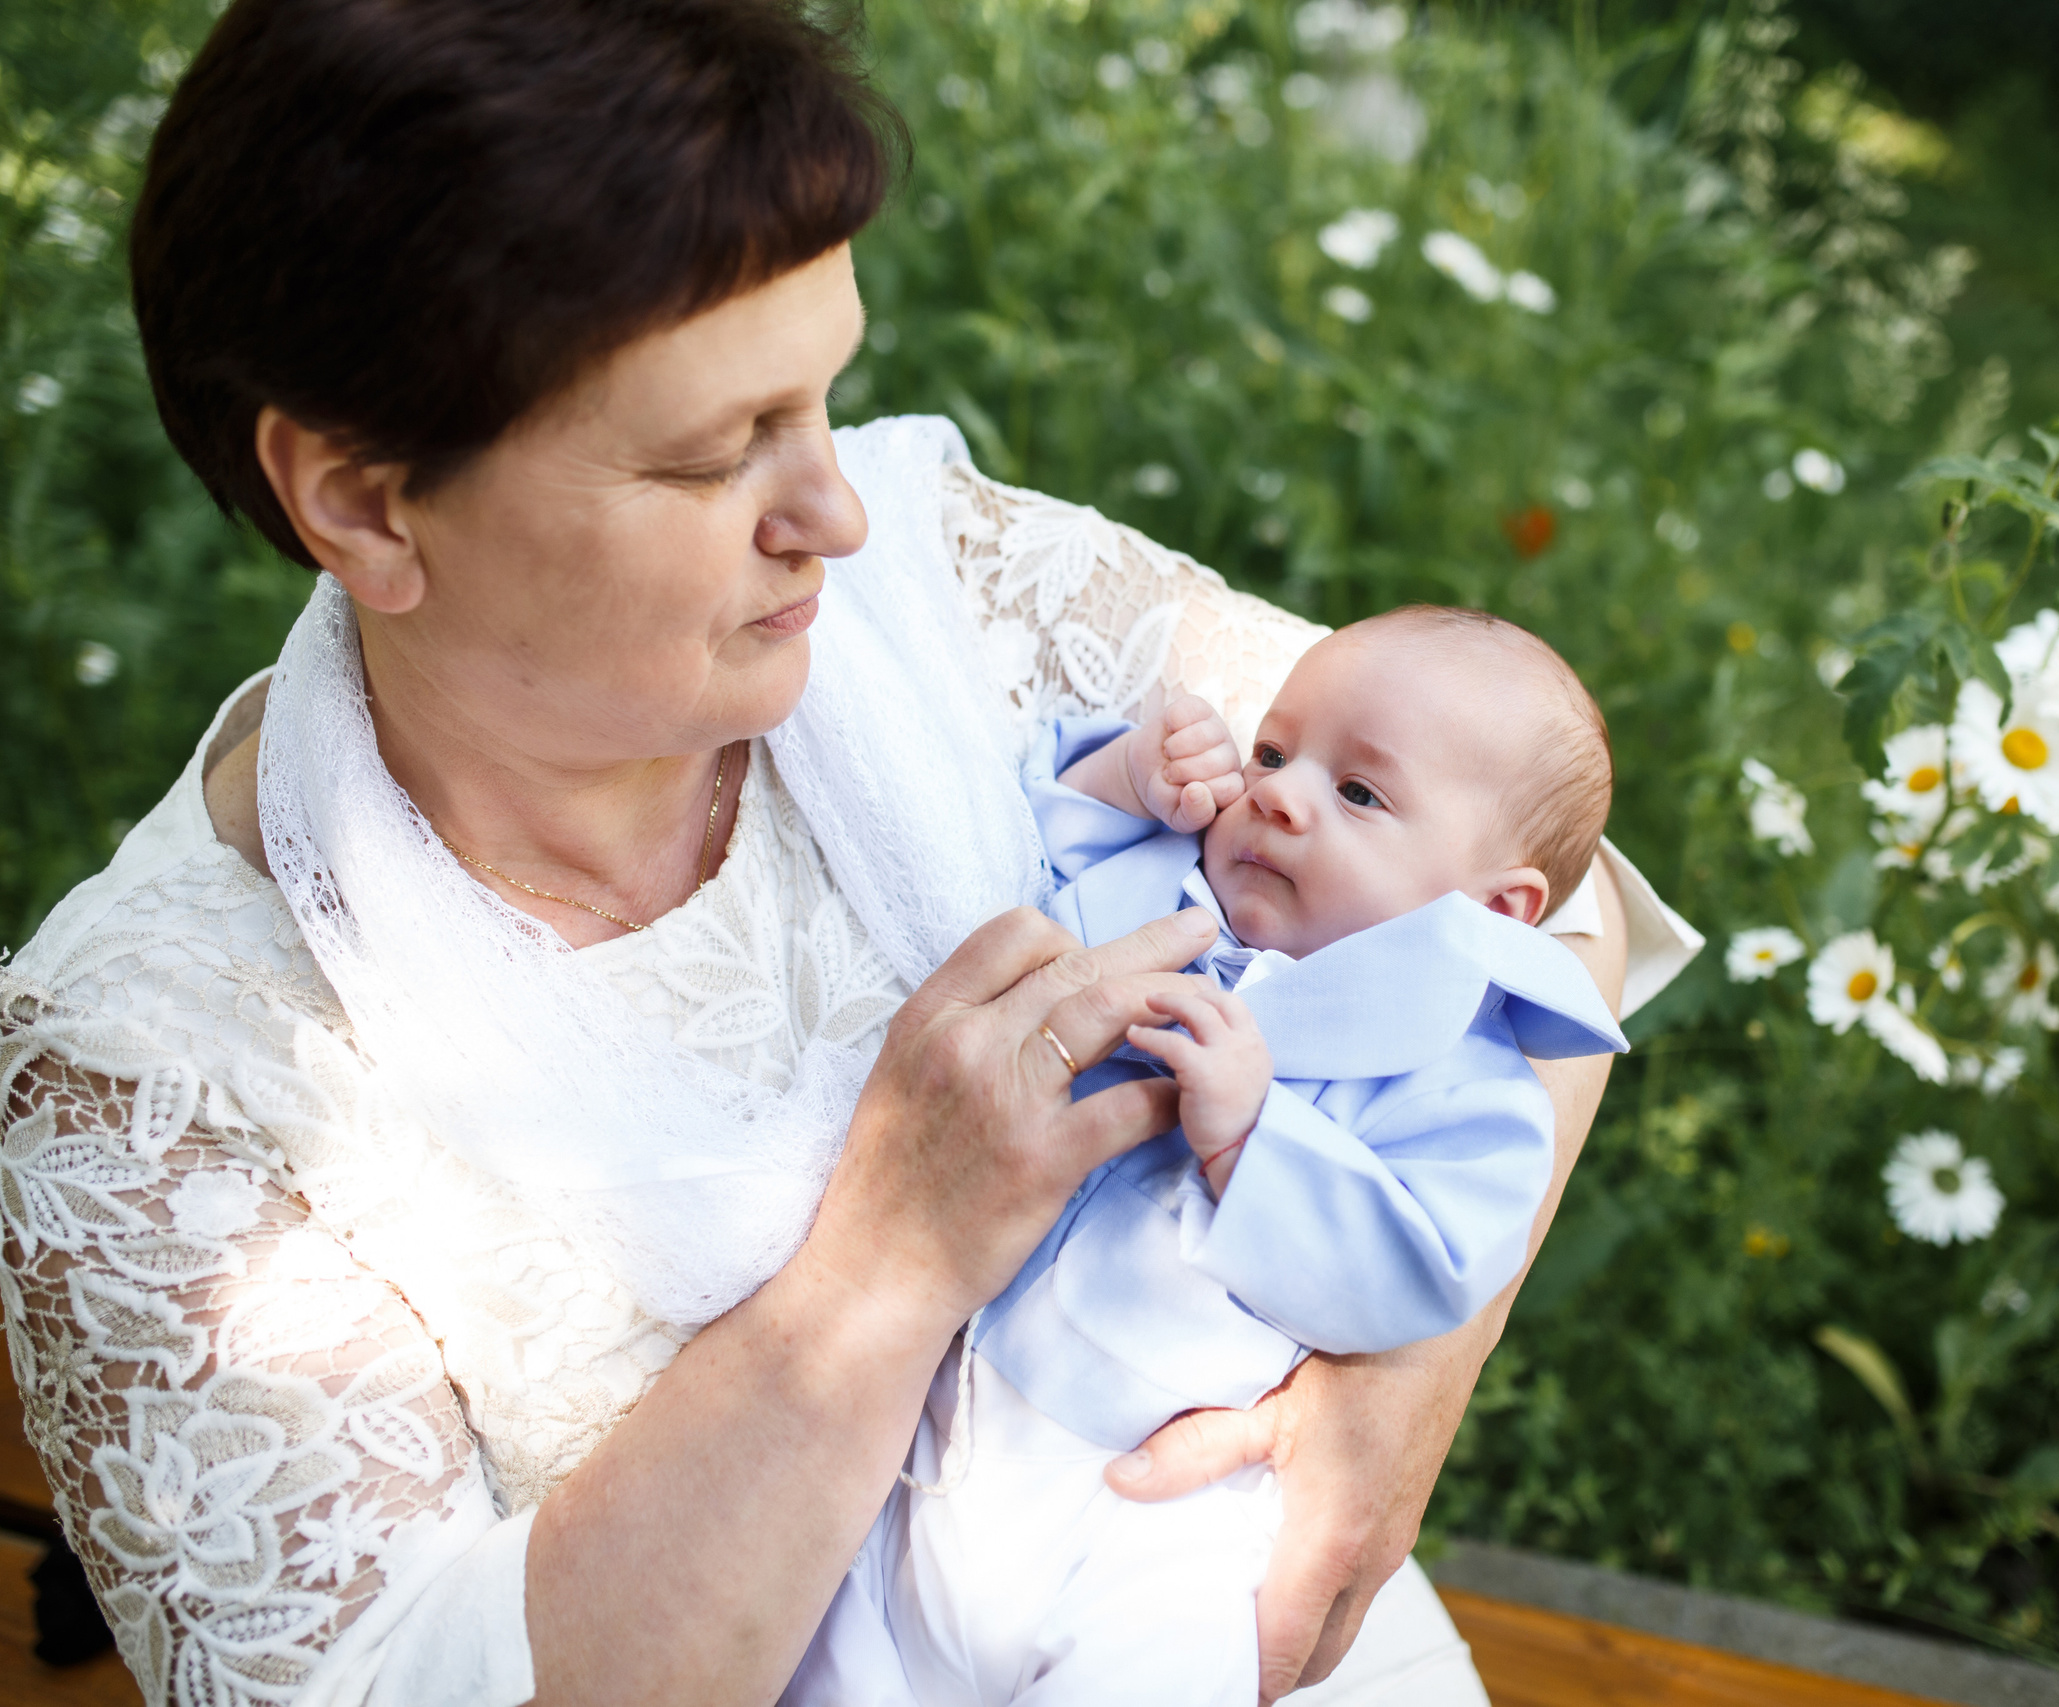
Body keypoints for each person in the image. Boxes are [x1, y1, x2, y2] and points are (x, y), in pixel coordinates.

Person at [0, 2, 1699, 1704]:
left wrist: (1382, 1412)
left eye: (822, 395)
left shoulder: (952, 585)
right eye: (714, 448)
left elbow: (1554, 895)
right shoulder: (154, 1070)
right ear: (365, 502)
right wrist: (886, 1267)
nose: (839, 512)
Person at [792, 611, 1627, 1704]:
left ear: (1490, 913)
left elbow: (1424, 1264)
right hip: (937, 1434)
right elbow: (1041, 845)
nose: (1277, 794)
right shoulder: (1176, 892)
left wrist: (1253, 1139)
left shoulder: (1462, 1085)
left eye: (1359, 794)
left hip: (1149, 1514)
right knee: (828, 1660)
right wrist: (1130, 772)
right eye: (1275, 754)